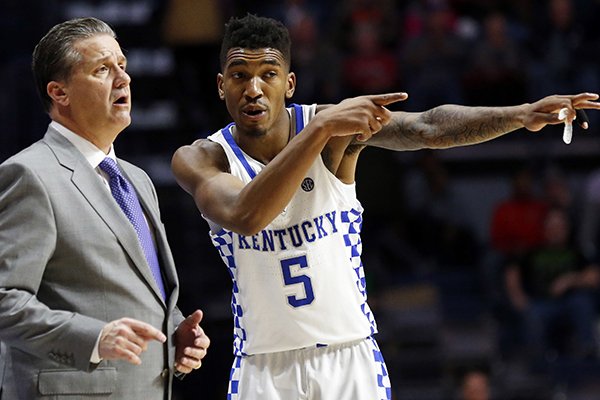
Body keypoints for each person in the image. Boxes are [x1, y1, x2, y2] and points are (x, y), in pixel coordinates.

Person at [170, 14, 600, 400]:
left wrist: (521, 114)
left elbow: (428, 126)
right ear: (221, 84)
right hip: (262, 364)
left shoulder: (332, 132)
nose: (254, 88)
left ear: (290, 83)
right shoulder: (203, 158)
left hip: (348, 354)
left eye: (269, 73)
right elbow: (246, 216)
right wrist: (319, 129)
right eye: (239, 75)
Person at [0, 17, 210, 399]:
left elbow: (135, 290)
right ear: (59, 93)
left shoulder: (136, 179)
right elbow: (4, 300)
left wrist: (175, 333)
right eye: (102, 69)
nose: (123, 79)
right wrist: (93, 339)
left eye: (122, 66)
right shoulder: (30, 175)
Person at [504, 207, 600, 363]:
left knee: (582, 302)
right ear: (545, 230)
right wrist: (518, 298)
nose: (555, 231)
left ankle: (588, 353)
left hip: (569, 302)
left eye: (559, 227)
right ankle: (539, 363)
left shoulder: (575, 252)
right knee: (533, 314)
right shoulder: (534, 252)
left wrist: (570, 280)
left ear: (567, 229)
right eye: (551, 227)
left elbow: (594, 276)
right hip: (541, 303)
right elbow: (512, 271)